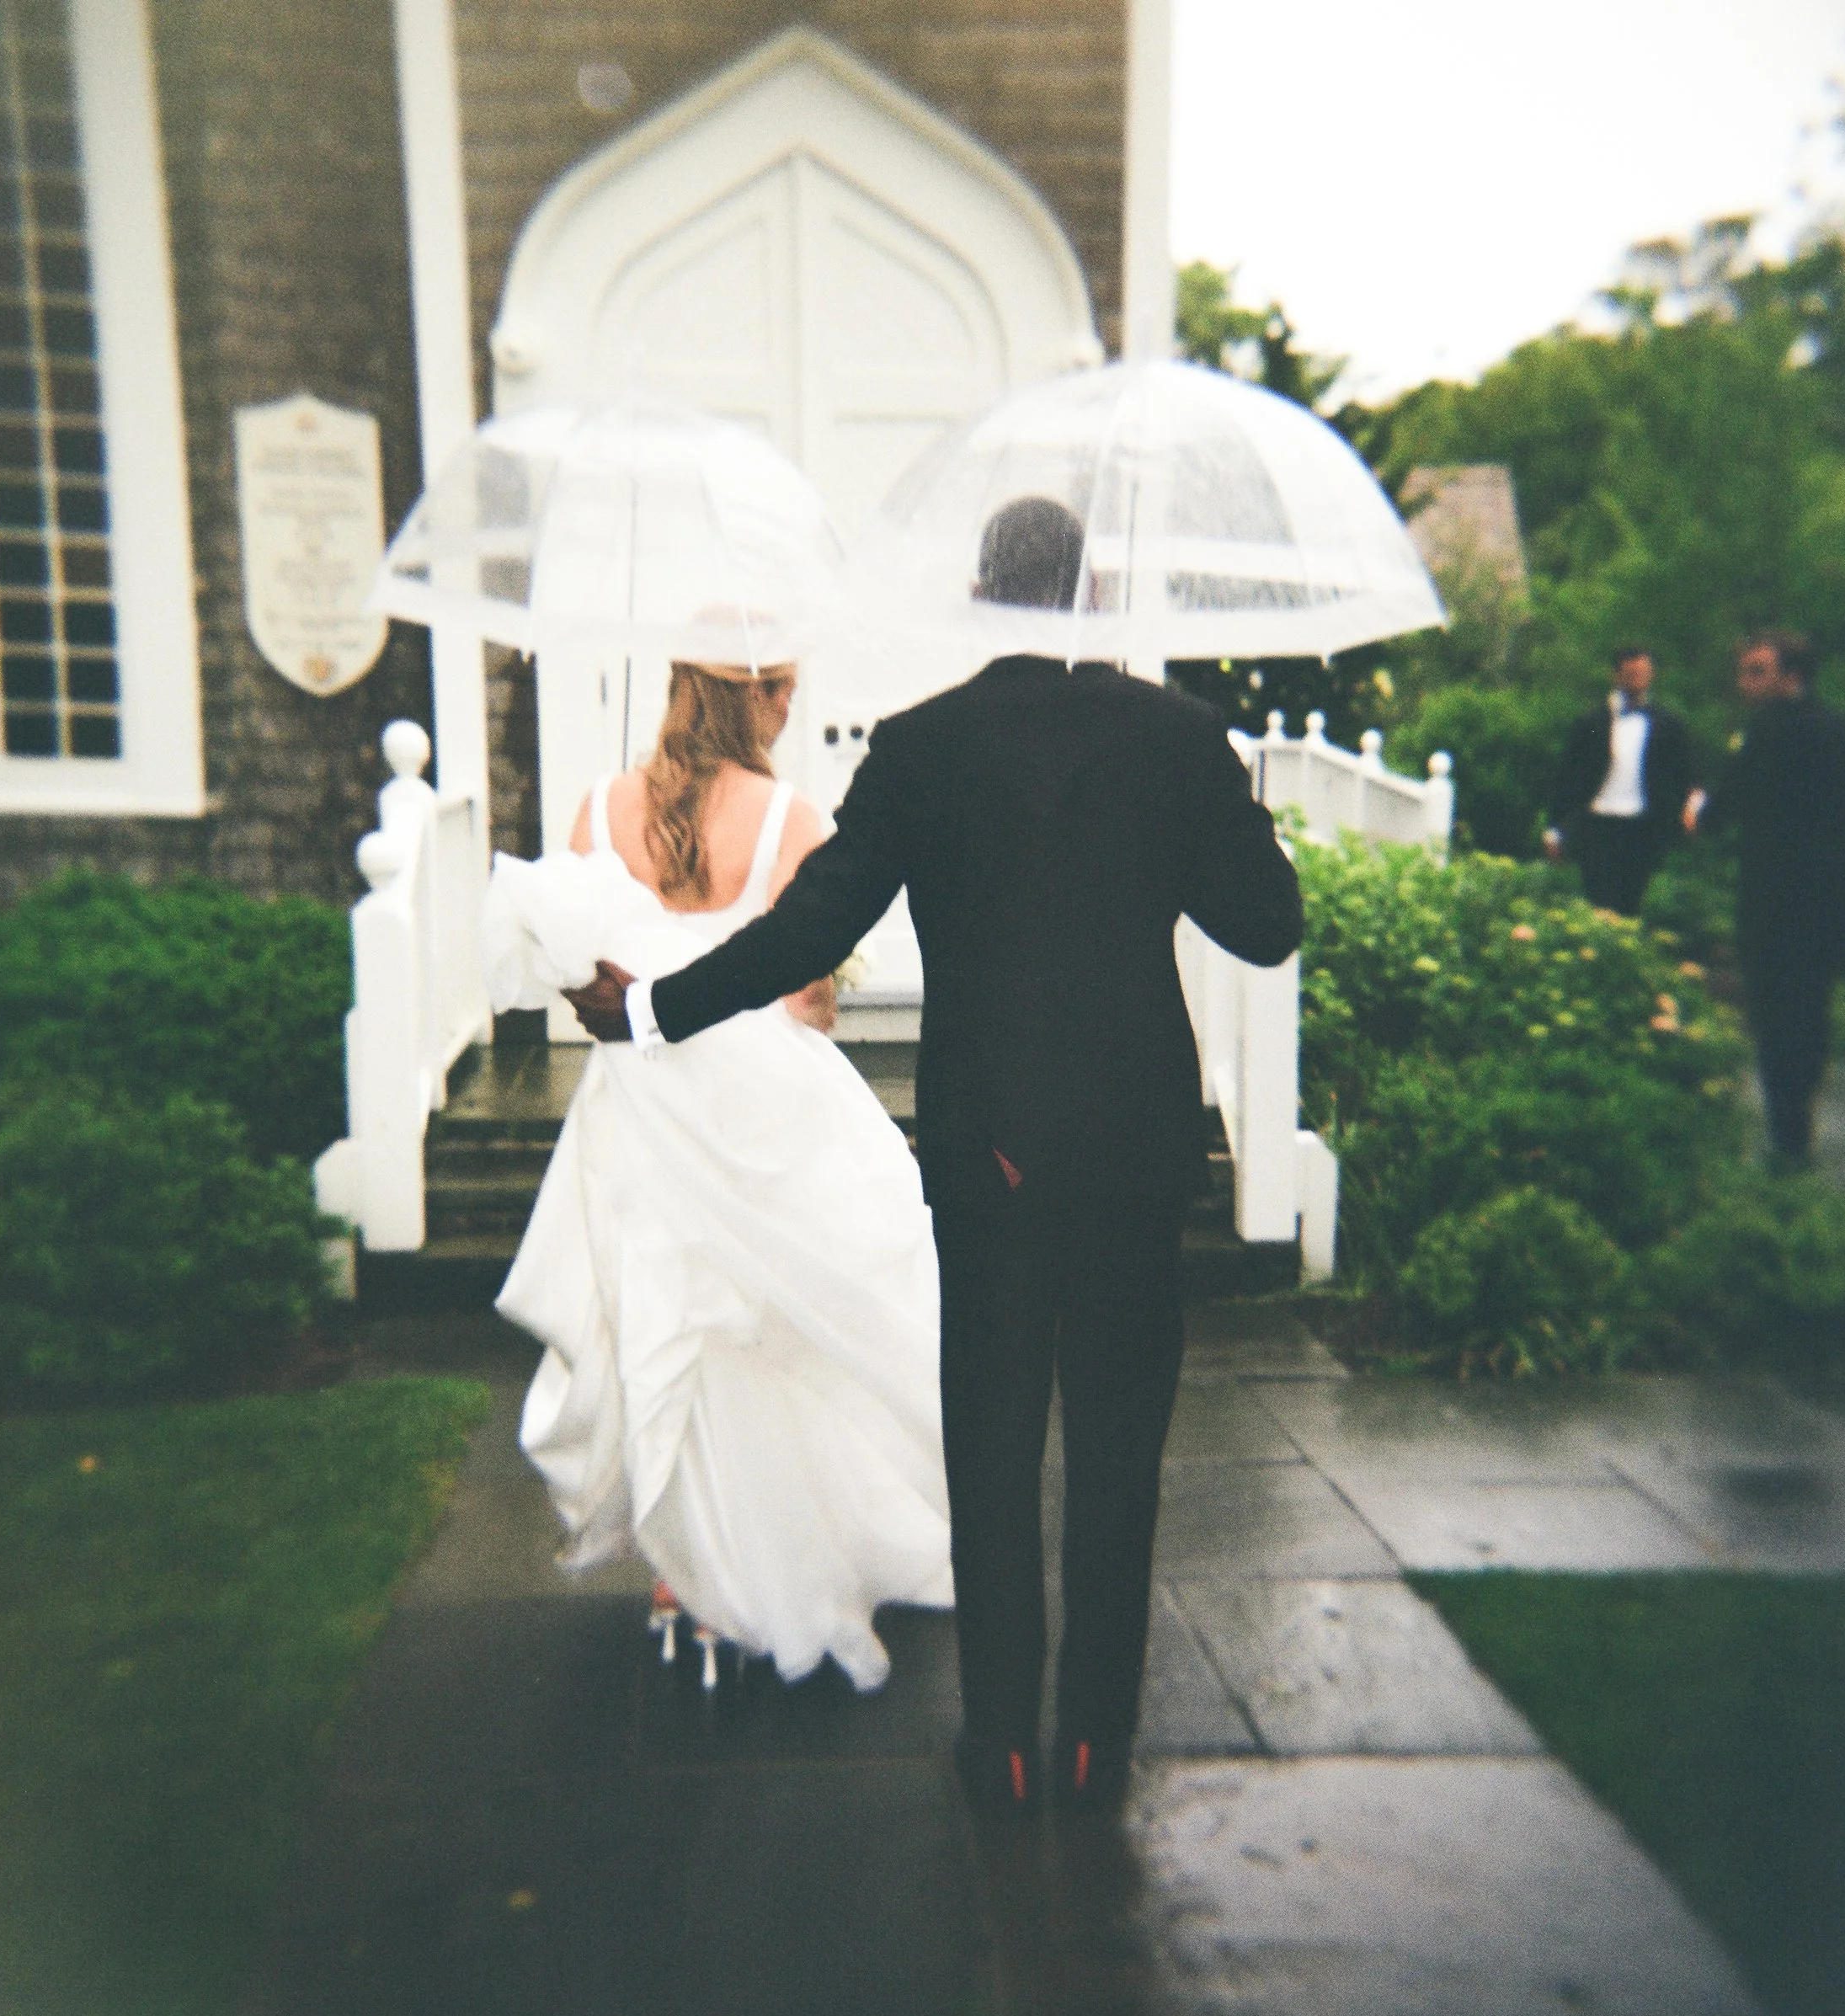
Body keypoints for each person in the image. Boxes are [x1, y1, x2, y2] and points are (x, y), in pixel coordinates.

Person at [566, 497, 1304, 1816]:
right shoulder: (1178, 739)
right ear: (1089, 592)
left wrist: (648, 1006)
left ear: (986, 591)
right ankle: (1094, 1741)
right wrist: (1221, 803)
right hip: (1136, 1144)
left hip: (992, 1148)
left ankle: (1002, 1741)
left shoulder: (923, 746)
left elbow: (808, 927)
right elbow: (1267, 925)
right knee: (1124, 1453)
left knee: (995, 1446)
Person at [482, 656, 954, 1694]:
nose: (792, 705)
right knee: (779, 1333)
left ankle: (686, 1574)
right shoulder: (788, 815)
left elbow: (582, 986)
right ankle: (787, 1551)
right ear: (745, 693)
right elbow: (810, 1001)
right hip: (765, 1117)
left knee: (667, 1330)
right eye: (779, 686)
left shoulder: (598, 812)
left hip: (642, 1118)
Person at [1688, 630, 1845, 1168]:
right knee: (1813, 1004)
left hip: (1774, 891)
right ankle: (1801, 1113)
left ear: (1790, 675)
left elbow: (1724, 809)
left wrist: (1699, 814)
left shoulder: (1763, 735)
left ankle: (1787, 1131)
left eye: (1756, 670)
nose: (1744, 681)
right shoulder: (1844, 731)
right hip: (1831, 893)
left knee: (1772, 1008)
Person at [1544, 646, 1693, 916]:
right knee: (1599, 902)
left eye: (1643, 673)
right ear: (1616, 676)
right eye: (1630, 674)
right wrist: (1555, 828)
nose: (1637, 680)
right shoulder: (1592, 722)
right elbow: (1567, 777)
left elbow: (1683, 775)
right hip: (1598, 824)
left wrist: (1681, 815)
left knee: (1631, 904)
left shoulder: (1667, 724)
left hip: (1642, 826)